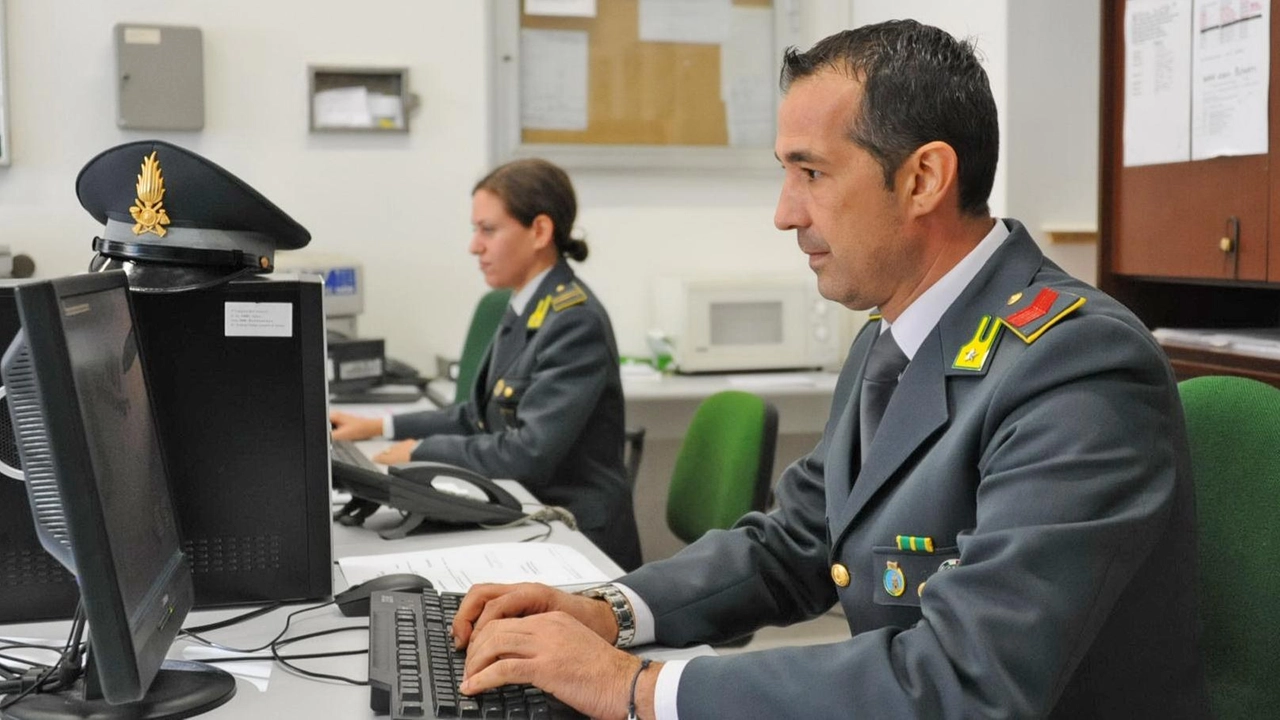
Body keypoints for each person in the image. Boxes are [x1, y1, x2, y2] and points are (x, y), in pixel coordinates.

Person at [448, 20, 1210, 720]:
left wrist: (637, 687)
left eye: (810, 173)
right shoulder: (894, 334)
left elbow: (967, 680)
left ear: (922, 179)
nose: (785, 212)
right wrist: (607, 609)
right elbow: (793, 543)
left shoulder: (1077, 365)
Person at [331, 158, 642, 571]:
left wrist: (421, 450)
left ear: (540, 231)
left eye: (488, 230)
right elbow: (478, 417)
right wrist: (382, 427)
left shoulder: (572, 320)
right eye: (475, 230)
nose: (474, 246)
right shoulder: (526, 305)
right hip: (530, 514)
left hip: (577, 536)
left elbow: (526, 453)